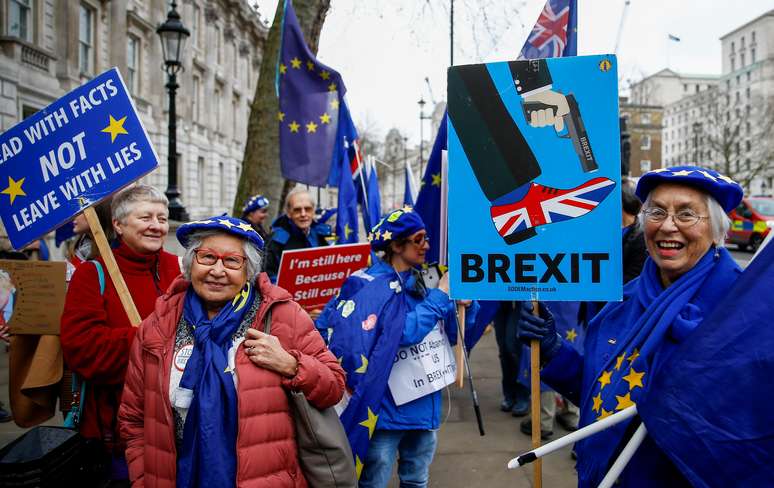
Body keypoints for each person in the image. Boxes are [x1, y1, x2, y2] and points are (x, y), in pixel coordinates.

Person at [517, 166, 744, 487]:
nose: (668, 225)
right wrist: (553, 350)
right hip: (608, 474)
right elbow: (604, 392)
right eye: (657, 211)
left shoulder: (741, 311)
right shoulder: (620, 302)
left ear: (717, 229)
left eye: (687, 214)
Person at [119, 216, 345, 487]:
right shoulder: (158, 324)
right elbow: (133, 418)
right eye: (207, 257)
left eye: (231, 261)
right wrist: (145, 479)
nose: (217, 270)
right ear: (191, 263)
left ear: (248, 270)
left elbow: (334, 386)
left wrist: (292, 365)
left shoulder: (282, 316)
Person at [325, 207, 479, 488]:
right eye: (418, 239)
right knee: (374, 481)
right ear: (396, 246)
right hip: (383, 412)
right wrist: (440, 297)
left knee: (416, 479)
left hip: (423, 406)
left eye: (427, 238)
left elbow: (458, 335)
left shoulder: (431, 279)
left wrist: (466, 304)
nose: (427, 246)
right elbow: (401, 332)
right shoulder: (365, 283)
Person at [60, 185, 181, 484]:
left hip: (175, 426)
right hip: (115, 431)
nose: (156, 226)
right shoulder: (92, 274)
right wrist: (148, 338)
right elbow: (83, 350)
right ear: (118, 224)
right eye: (145, 217)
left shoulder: (179, 270)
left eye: (162, 218)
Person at [263, 189, 332, 283]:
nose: (303, 214)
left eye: (307, 209)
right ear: (288, 213)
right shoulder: (275, 241)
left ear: (313, 211)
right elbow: (267, 277)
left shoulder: (323, 235)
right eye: (297, 210)